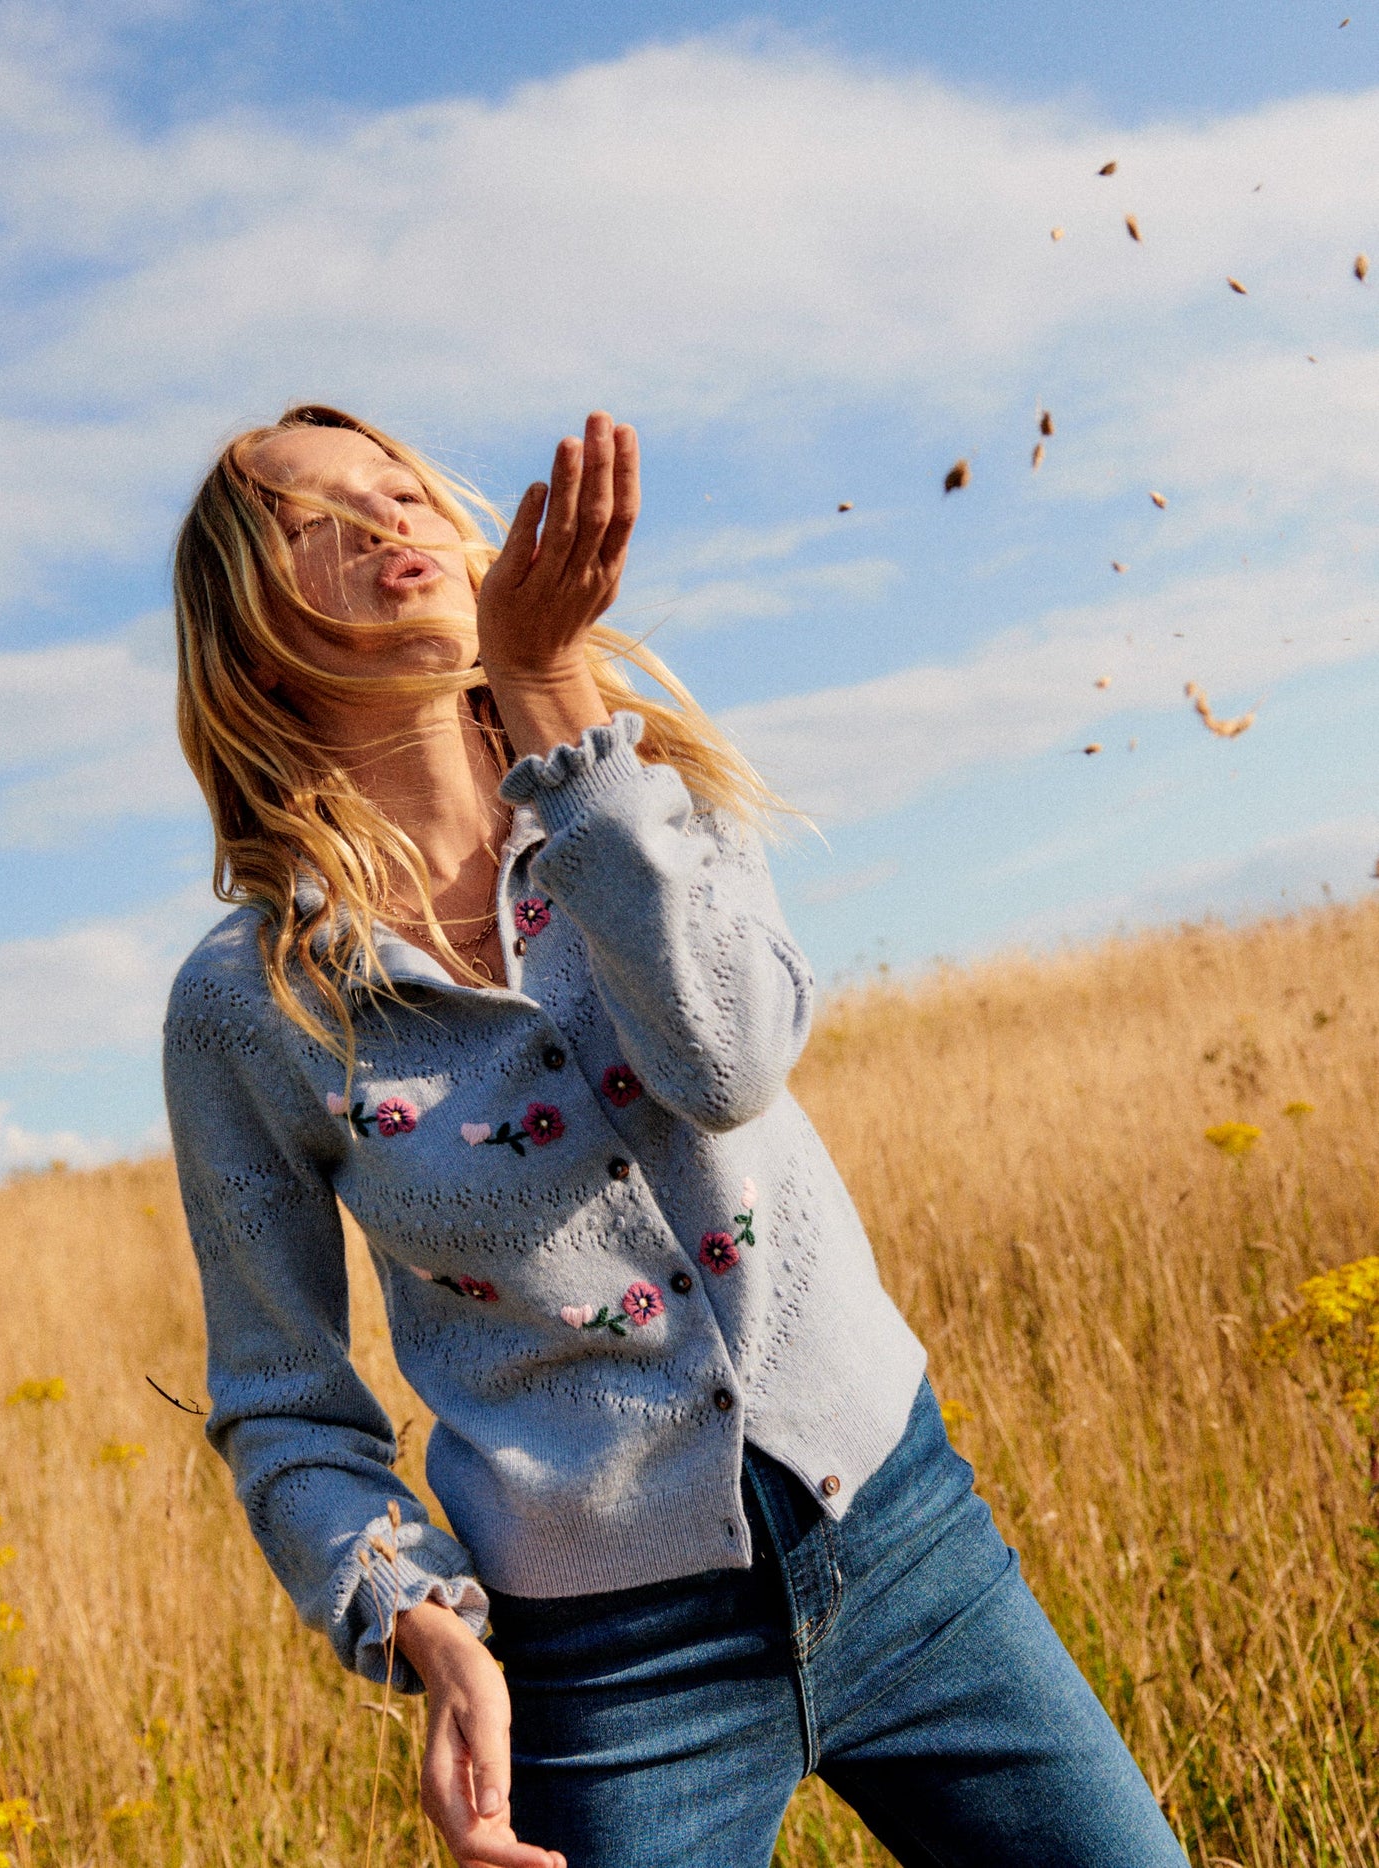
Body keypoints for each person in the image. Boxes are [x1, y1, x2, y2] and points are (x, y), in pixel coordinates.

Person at [165, 404, 1188, 1868]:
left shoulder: (647, 794)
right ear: (253, 640)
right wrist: (423, 1624)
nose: (383, 519)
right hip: (610, 1676)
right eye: (311, 518)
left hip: (911, 1548)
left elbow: (725, 1064)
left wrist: (553, 693)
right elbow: (282, 1400)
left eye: (397, 486)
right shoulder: (249, 1003)